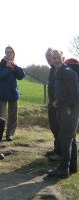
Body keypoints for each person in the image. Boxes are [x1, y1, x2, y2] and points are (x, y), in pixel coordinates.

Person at [47, 50, 79, 178]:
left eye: (58, 57)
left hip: (69, 110)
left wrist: (70, 107)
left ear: (63, 58)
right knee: (70, 139)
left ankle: (63, 169)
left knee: (65, 139)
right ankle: (72, 167)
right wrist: (57, 102)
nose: (55, 60)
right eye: (53, 58)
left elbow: (75, 92)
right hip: (62, 108)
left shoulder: (67, 72)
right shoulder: (58, 72)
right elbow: (62, 91)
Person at [0, 46, 25, 141]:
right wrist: (7, 68)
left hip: (13, 93)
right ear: (5, 53)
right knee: (0, 116)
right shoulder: (0, 64)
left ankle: (9, 134)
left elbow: (21, 76)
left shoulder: (15, 65)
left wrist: (14, 67)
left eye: (11, 52)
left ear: (13, 54)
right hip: (2, 93)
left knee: (13, 116)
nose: (9, 53)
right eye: (7, 52)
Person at [45, 48, 61, 160]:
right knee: (54, 126)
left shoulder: (59, 70)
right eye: (47, 57)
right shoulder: (51, 69)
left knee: (59, 127)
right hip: (51, 102)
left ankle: (60, 152)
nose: (48, 58)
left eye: (50, 56)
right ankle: (56, 148)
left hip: (58, 103)